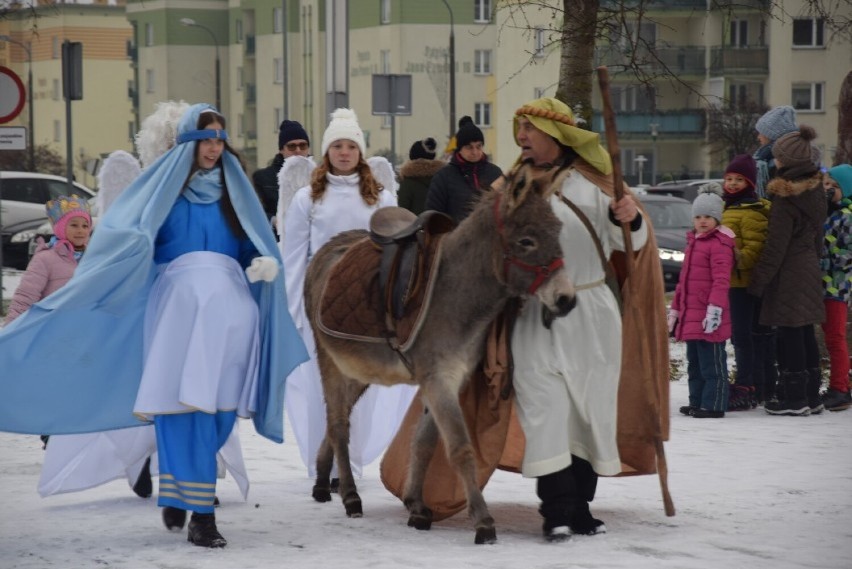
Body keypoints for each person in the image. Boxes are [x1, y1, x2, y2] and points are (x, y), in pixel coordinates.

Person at [0, 103, 308, 548]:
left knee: (220, 410)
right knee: (183, 407)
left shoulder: (234, 193)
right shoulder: (163, 193)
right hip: (179, 310)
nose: (214, 146)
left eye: (220, 138)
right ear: (187, 143)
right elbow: (130, 239)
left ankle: (182, 487)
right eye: (205, 137)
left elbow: (250, 245)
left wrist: (260, 264)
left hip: (229, 315)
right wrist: (135, 249)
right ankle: (202, 514)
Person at [507, 98, 650, 542]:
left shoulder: (595, 185)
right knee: (546, 410)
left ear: (557, 135)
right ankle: (557, 511)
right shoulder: (513, 186)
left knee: (587, 412)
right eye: (520, 130)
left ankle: (580, 508)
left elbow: (629, 243)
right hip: (534, 315)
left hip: (591, 315)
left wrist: (628, 216)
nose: (522, 137)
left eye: (529, 129)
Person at [281, 108, 417, 480]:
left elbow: (397, 253)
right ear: (327, 153)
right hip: (321, 304)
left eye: (351, 146)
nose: (344, 153)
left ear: (360, 152)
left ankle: (350, 465)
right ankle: (319, 463)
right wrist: (293, 310)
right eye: (337, 146)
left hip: (367, 306)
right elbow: (293, 257)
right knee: (321, 386)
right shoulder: (307, 199)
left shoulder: (381, 198)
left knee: (362, 385)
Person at [748, 125, 826, 416]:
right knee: (804, 330)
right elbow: (817, 237)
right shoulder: (816, 189)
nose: (775, 160)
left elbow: (775, 246)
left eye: (778, 156)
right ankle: (811, 394)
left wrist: (758, 282)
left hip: (789, 272)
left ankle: (794, 399)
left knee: (790, 332)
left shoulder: (785, 196)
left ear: (787, 160)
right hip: (808, 267)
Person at [669, 189, 736, 419]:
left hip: (709, 315)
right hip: (691, 315)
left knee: (712, 363)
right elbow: (683, 283)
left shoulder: (719, 244)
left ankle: (714, 404)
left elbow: (721, 280)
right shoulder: (693, 243)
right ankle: (697, 401)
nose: (702, 221)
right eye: (698, 217)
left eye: (708, 217)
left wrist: (715, 310)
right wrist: (676, 310)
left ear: (717, 219)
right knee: (694, 363)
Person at [716, 155, 774, 410]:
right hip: (731, 281)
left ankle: (746, 384)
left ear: (749, 183)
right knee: (746, 334)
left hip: (743, 282)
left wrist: (736, 258)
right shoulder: (727, 207)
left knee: (744, 335)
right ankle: (756, 385)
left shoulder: (752, 210)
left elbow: (755, 247)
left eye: (739, 179)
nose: (732, 183)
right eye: (729, 179)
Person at [4, 195, 92, 325]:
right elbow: (25, 297)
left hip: (82, 330)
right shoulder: (45, 259)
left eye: (85, 226)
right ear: (60, 228)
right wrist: (11, 329)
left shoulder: (93, 258)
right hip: (50, 328)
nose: (81, 230)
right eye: (74, 225)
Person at [425, 116, 503, 224]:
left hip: (489, 238)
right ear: (459, 149)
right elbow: (433, 215)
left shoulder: (495, 173)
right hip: (456, 238)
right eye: (469, 147)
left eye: (479, 146)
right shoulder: (444, 177)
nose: (475, 152)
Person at [818, 164, 852, 411]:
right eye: (827, 184)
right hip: (820, 284)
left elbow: (847, 254)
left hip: (837, 287)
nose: (829, 189)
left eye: (835, 186)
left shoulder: (847, 216)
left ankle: (840, 387)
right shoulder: (827, 212)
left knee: (835, 337)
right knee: (830, 335)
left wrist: (824, 258)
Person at [253, 119, 311, 226]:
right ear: (281, 150)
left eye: (303, 145)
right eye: (292, 146)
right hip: (278, 239)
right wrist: (274, 220)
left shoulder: (319, 177)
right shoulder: (263, 178)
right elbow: (253, 212)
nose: (298, 150)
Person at [753, 106, 798, 197]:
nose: (758, 137)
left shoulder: (777, 162)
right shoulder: (766, 157)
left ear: (771, 135)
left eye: (762, 132)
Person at [397, 137, 444, 214]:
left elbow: (402, 212)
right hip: (441, 224)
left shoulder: (408, 182)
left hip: (415, 225)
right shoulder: (443, 179)